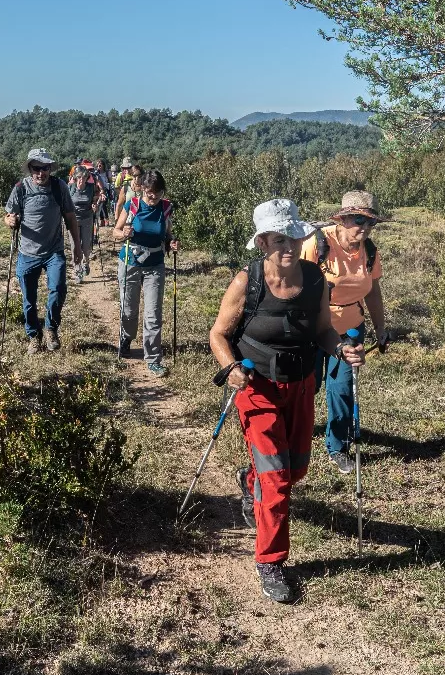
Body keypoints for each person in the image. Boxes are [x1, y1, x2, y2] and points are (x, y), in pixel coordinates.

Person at [208, 198, 367, 604]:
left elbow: (321, 332)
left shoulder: (314, 279)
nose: (289, 247)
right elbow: (219, 335)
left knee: (295, 469)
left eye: (294, 238)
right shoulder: (248, 282)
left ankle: (249, 482)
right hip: (257, 387)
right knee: (277, 480)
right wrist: (232, 370)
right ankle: (271, 561)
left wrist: (341, 350)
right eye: (279, 240)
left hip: (300, 385)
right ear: (262, 242)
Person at [300, 190, 390, 474]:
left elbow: (373, 292)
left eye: (369, 223)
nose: (363, 228)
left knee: (342, 390)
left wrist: (381, 329)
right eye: (357, 220)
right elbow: (295, 285)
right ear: (342, 219)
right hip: (313, 328)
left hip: (350, 327)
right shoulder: (317, 244)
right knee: (307, 386)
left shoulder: (370, 251)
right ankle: (296, 438)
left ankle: (337, 446)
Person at [3, 148, 84, 354]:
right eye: (37, 168)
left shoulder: (59, 187)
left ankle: (50, 328)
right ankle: (33, 336)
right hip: (27, 253)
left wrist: (77, 247)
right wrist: (10, 220)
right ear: (30, 168)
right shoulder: (21, 188)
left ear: (50, 168)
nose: (41, 173)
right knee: (28, 299)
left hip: (53, 251)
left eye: (45, 168)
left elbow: (70, 218)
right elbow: (8, 215)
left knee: (58, 289)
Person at [112, 169, 177, 374]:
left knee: (153, 314)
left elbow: (167, 235)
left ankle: (153, 358)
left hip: (155, 266)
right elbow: (115, 232)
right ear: (142, 189)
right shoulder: (133, 205)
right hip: (130, 262)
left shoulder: (166, 208)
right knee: (129, 311)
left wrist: (171, 243)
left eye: (157, 193)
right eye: (150, 192)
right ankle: (126, 337)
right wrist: (123, 233)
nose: (153, 197)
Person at [69, 162, 103, 282]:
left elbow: (97, 198)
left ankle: (86, 262)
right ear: (75, 178)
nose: (80, 180)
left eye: (83, 178)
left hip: (87, 219)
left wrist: (95, 205)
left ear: (86, 178)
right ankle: (77, 271)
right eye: (78, 178)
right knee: (74, 246)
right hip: (73, 220)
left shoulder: (90, 188)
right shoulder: (70, 189)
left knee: (86, 246)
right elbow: (65, 203)